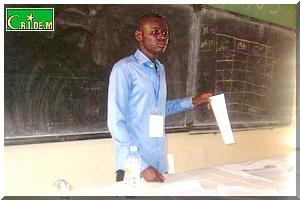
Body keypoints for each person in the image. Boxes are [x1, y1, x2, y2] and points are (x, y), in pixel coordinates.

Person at [107, 13, 212, 183]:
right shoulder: (124, 69)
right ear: (139, 35)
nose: (162, 37)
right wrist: (141, 166)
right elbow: (115, 122)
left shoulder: (159, 69)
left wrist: (194, 101)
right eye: (155, 32)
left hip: (158, 165)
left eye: (165, 33)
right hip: (134, 170)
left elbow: (159, 109)